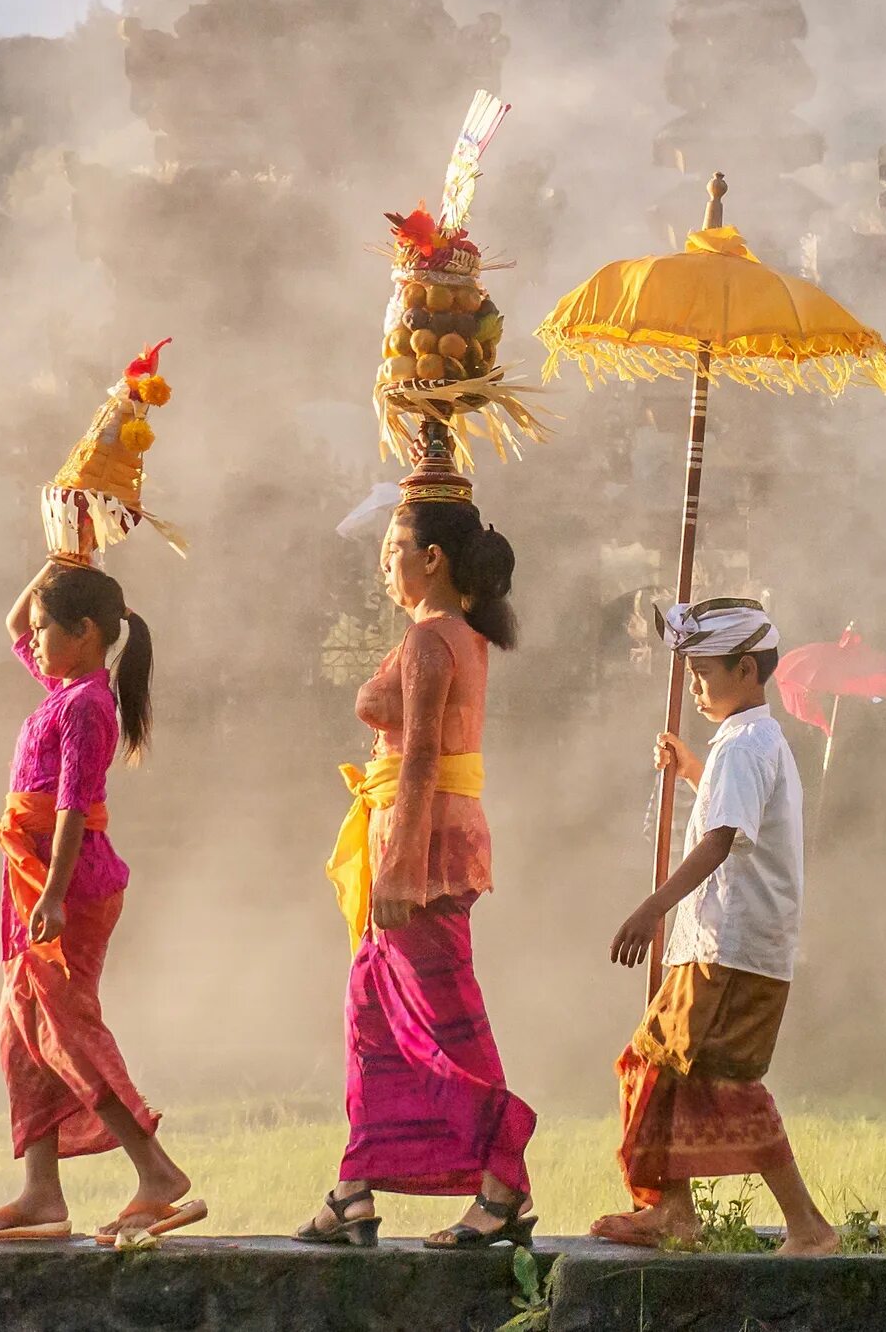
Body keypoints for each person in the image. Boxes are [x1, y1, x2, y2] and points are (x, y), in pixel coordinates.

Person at [298, 492, 537, 1251]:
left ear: (432, 559)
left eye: (393, 551)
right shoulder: (451, 636)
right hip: (413, 839)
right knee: (371, 1015)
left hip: (421, 848)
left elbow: (424, 757)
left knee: (442, 1016)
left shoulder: (435, 641)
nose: (383, 567)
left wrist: (399, 874)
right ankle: (353, 1189)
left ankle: (503, 1186)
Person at [0, 561, 202, 1245]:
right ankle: (41, 1193)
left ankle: (157, 1172)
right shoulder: (62, 689)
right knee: (21, 1029)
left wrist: (58, 894)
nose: (31, 641)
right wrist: (60, 554)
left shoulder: (89, 704)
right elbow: (11, 623)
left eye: (45, 631)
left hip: (71, 883)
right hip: (31, 877)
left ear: (85, 632)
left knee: (64, 1025)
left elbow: (72, 808)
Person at [589, 599, 839, 1255]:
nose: (695, 687)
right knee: (659, 1066)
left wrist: (652, 906)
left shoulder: (748, 745)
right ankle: (672, 1210)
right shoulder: (746, 743)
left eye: (704, 672)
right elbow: (732, 811)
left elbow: (723, 838)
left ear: (748, 671)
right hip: (715, 947)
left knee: (721, 1082)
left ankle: (807, 1226)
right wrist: (692, 768)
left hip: (729, 949)